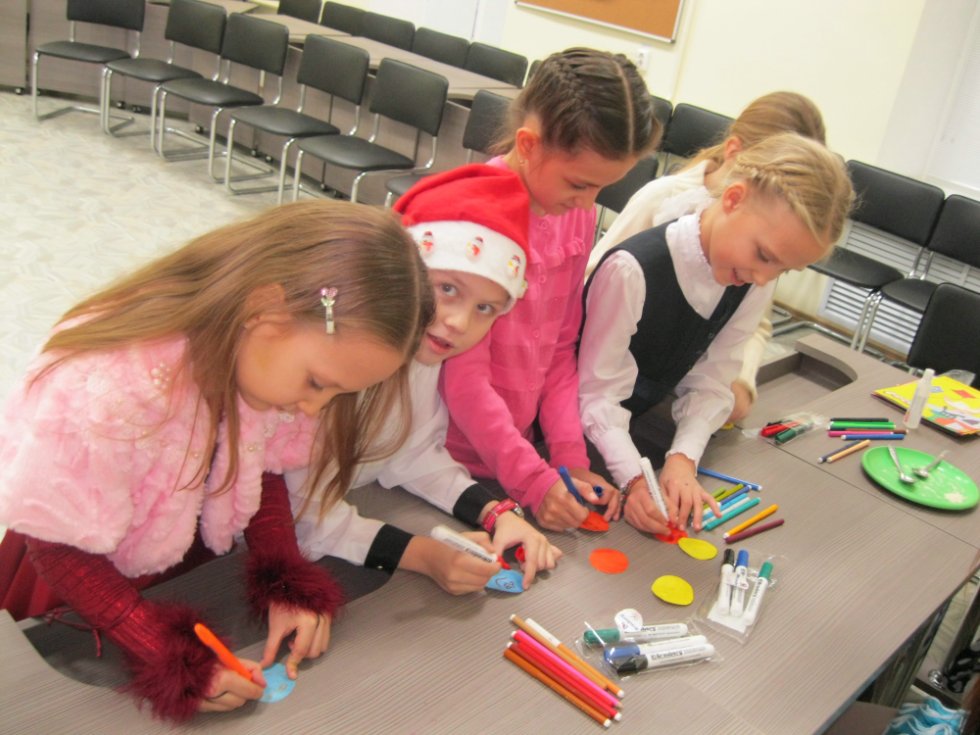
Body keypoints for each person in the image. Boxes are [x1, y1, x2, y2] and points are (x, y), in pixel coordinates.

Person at [0, 200, 432, 722]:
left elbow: (262, 466)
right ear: (265, 310)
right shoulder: (111, 386)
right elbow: (59, 547)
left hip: (177, 559)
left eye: (337, 393)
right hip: (78, 580)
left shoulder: (265, 357)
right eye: (318, 383)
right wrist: (163, 651)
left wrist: (283, 581)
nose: (315, 409)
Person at [278, 165, 562, 594]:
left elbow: (413, 454)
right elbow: (304, 516)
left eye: (485, 308)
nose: (459, 323)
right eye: (447, 289)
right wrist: (424, 555)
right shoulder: (330, 361)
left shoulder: (423, 359)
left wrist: (497, 513)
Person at [578, 133, 854, 536]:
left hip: (634, 430)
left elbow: (712, 379)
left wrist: (683, 459)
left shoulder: (752, 279)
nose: (765, 278)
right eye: (764, 255)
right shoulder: (632, 270)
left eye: (783, 270)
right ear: (733, 199)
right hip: (569, 437)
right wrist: (634, 478)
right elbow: (596, 395)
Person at [438, 47, 662, 533]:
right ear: (529, 144)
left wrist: (568, 458)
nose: (588, 203)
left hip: (517, 457)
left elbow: (561, 348)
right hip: (441, 459)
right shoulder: (474, 220)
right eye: (579, 184)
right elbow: (463, 379)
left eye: (602, 189)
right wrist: (533, 480)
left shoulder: (574, 215)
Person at [586, 91, 828, 423]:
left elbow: (755, 321)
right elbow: (592, 279)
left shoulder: (760, 244)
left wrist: (740, 380)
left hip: (674, 398)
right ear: (734, 153)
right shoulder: (663, 200)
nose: (764, 273)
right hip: (609, 387)